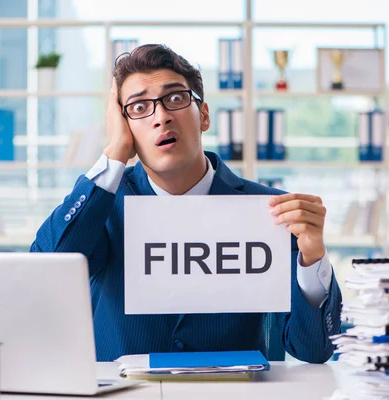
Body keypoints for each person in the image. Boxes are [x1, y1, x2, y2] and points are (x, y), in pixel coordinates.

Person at [31, 44, 342, 363]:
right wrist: (114, 151)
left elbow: (314, 350)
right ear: (124, 127)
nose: (161, 117)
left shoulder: (267, 210)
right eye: (139, 108)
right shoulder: (103, 205)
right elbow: (47, 274)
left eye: (175, 99)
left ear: (204, 115)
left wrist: (313, 256)